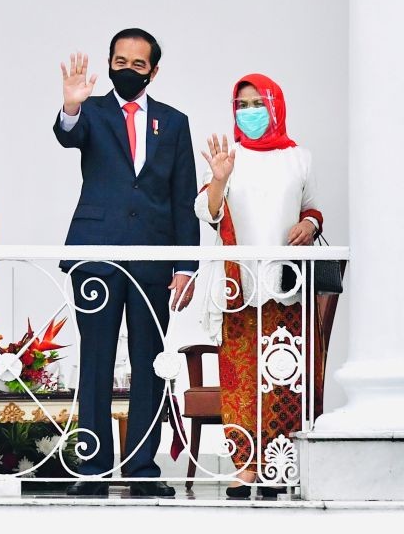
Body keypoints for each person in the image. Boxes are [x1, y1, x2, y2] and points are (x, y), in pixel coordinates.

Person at [54, 29, 199, 497]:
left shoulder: (174, 123)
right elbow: (67, 135)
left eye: (138, 64)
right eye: (120, 61)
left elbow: (182, 197)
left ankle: (141, 469)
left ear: (153, 71)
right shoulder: (91, 111)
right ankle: (92, 468)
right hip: (96, 250)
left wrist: (187, 264)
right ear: (109, 62)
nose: (128, 70)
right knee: (95, 360)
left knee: (149, 361)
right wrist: (72, 104)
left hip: (153, 256)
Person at [195, 72, 324, 498]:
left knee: (284, 375)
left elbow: (313, 210)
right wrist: (218, 179)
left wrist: (309, 223)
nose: (249, 113)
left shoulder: (299, 158)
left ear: (275, 105)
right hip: (239, 286)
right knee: (237, 377)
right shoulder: (230, 156)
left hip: (285, 284)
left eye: (257, 104)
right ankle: (245, 465)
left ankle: (279, 464)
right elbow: (208, 213)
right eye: (241, 106)